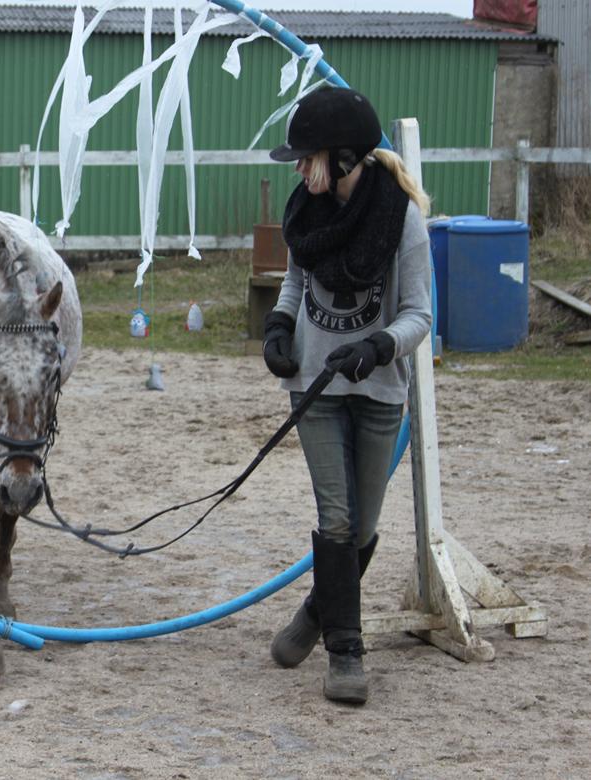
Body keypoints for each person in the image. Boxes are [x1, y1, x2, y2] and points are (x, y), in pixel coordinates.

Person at [262, 87, 432, 704]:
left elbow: (419, 315)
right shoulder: (305, 214)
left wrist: (378, 346)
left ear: (344, 158)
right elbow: (294, 282)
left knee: (362, 530)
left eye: (308, 158)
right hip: (315, 386)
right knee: (336, 519)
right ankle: (346, 653)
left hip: (379, 387)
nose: (300, 169)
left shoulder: (401, 219)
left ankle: (315, 612)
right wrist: (279, 327)